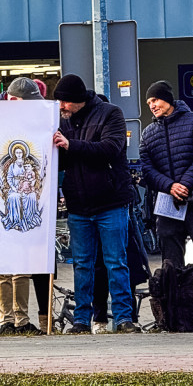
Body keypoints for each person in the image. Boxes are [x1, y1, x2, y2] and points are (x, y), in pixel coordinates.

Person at [53, 73, 140, 334]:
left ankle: (124, 318)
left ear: (78, 100)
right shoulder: (62, 121)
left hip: (111, 201)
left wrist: (71, 145)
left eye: (65, 102)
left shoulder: (110, 113)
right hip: (79, 204)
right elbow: (63, 159)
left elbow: (110, 149)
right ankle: (81, 320)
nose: (61, 107)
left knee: (116, 261)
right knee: (82, 264)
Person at [139, 79, 193, 326]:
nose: (152, 105)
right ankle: (176, 318)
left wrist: (185, 183)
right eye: (149, 102)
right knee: (170, 267)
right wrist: (169, 186)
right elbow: (147, 169)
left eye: (154, 100)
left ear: (167, 99)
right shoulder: (148, 133)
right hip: (167, 207)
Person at [0, 76, 48, 335]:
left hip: (26, 199)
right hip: (1, 202)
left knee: (22, 265)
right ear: (13, 100)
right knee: (3, 265)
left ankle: (22, 319)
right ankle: (6, 320)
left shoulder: (35, 126)